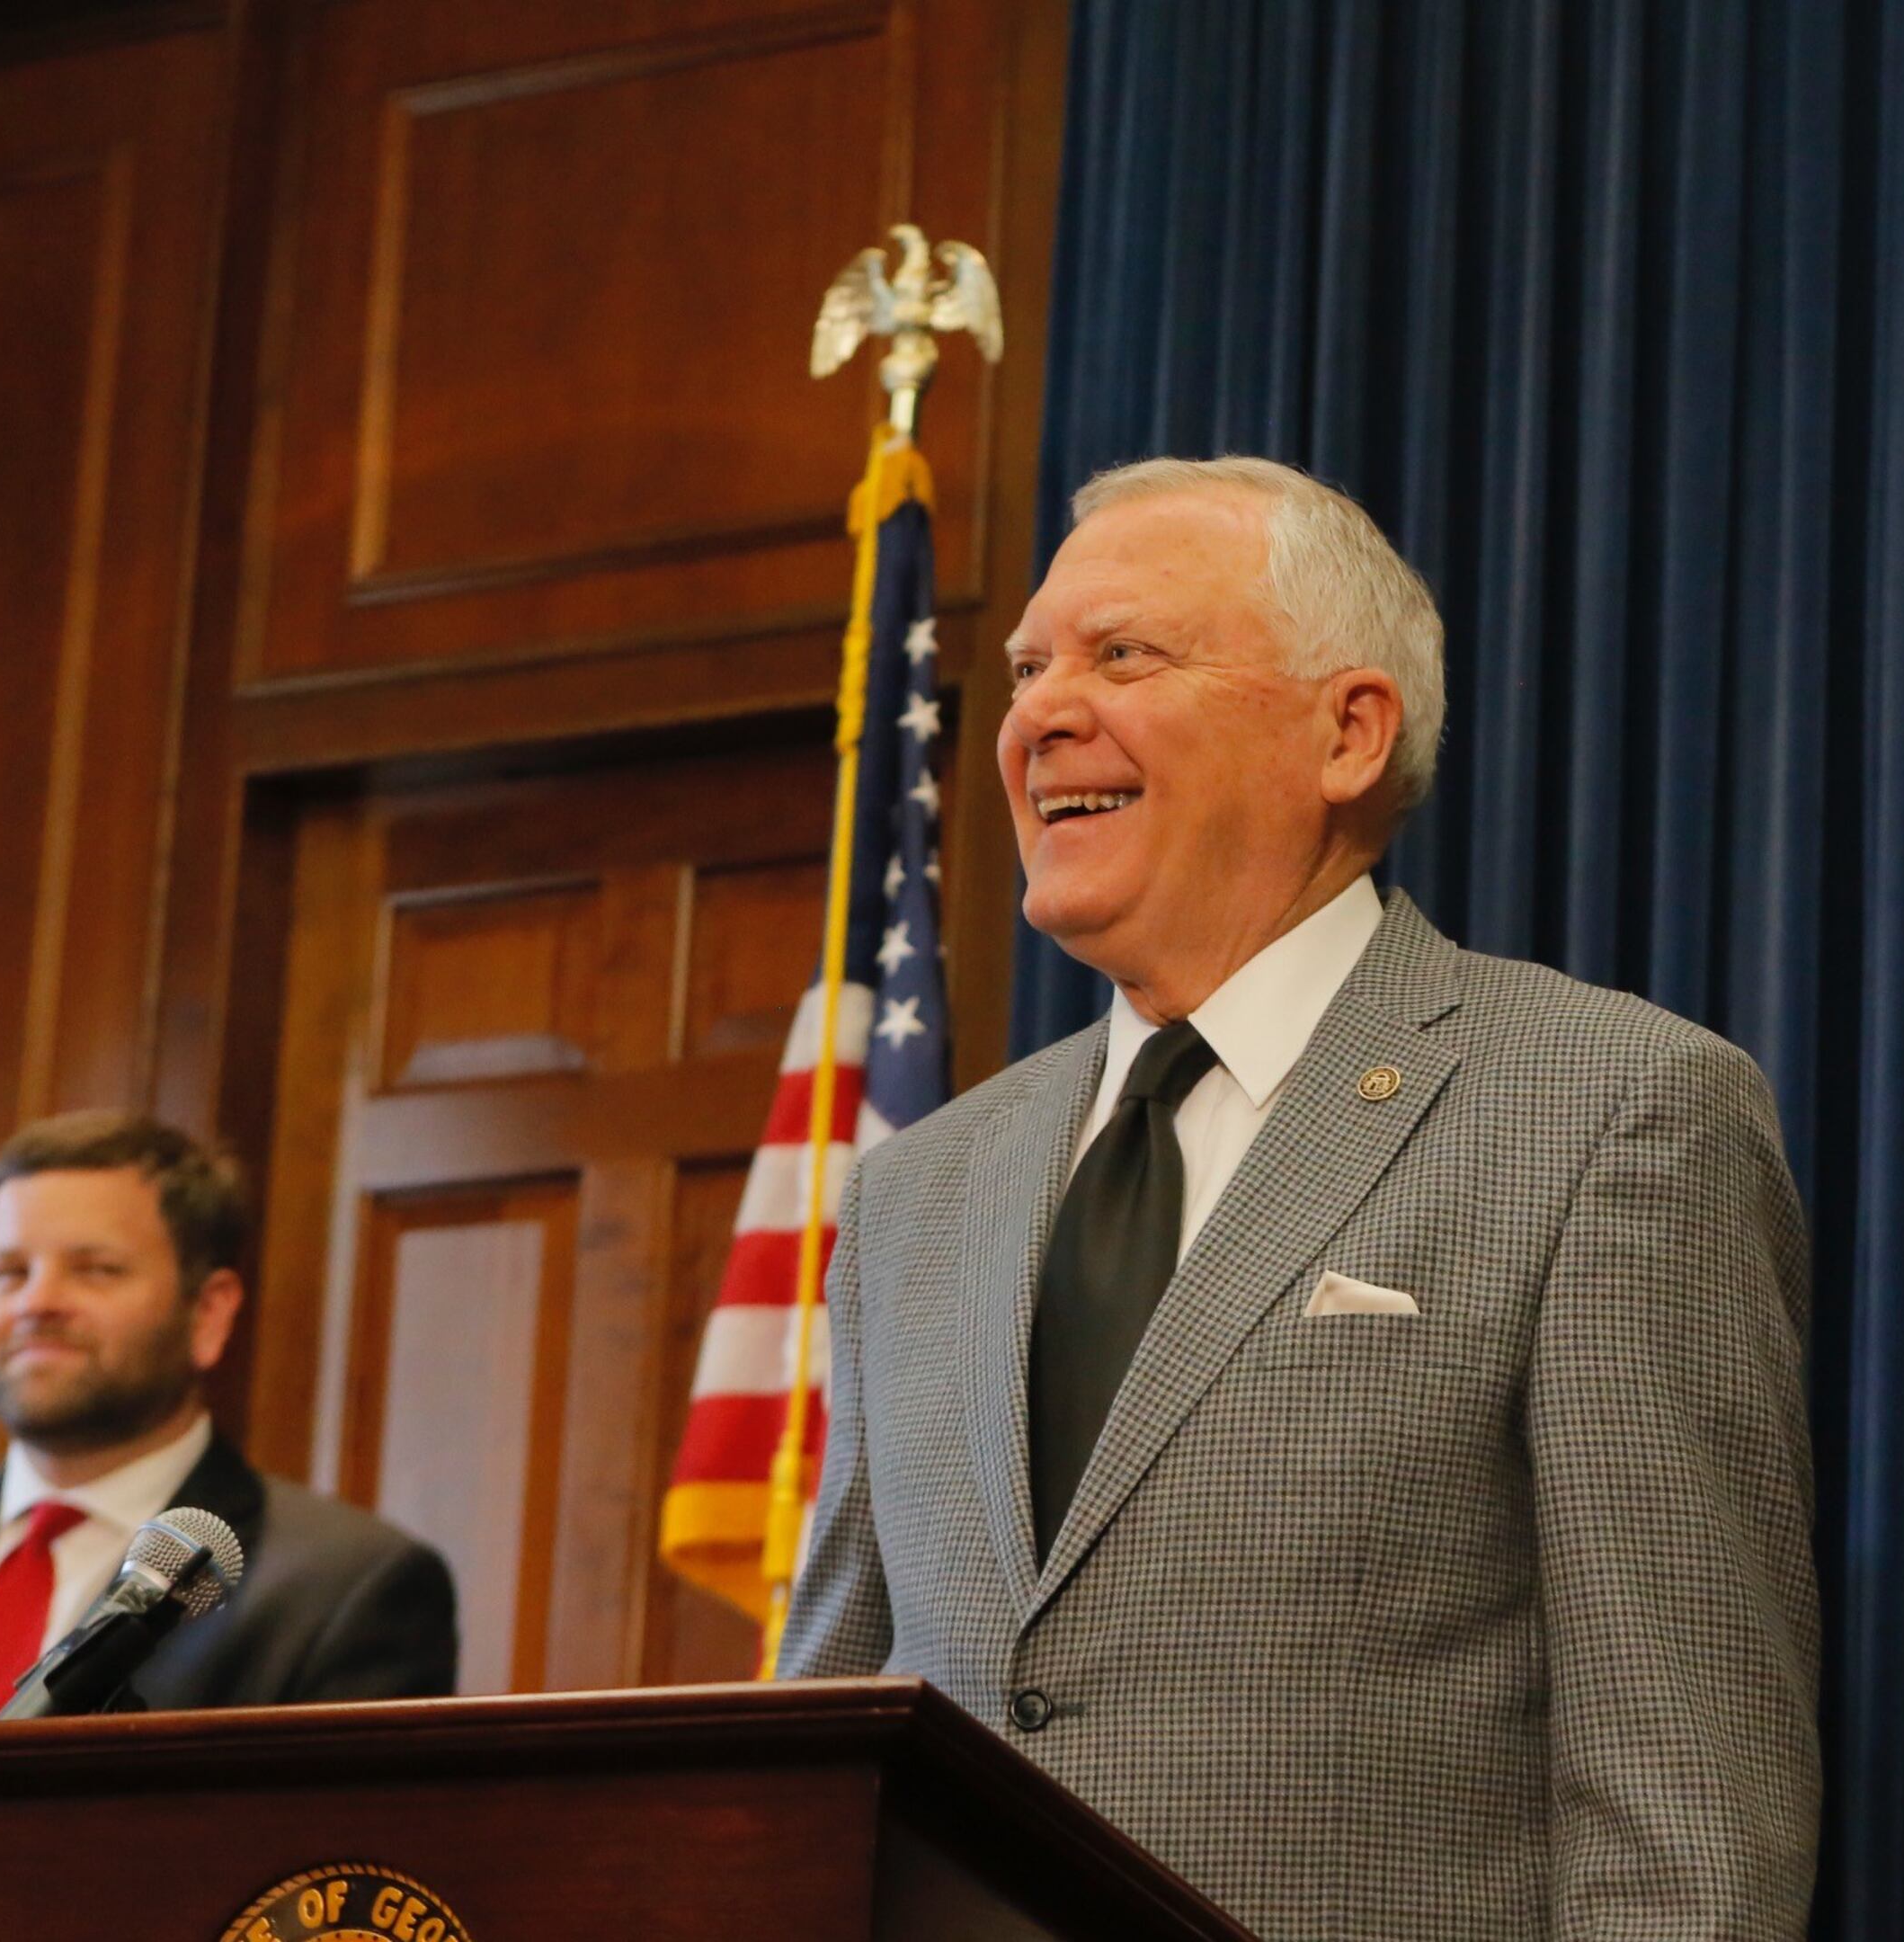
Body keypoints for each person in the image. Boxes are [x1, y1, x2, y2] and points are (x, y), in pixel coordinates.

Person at [777, 456, 1821, 1938]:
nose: (1037, 715)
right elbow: (834, 1742)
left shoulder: (1611, 1115)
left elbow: (1685, 1808)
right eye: (1024, 669)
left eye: (1122, 654)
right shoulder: (917, 1192)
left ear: (1349, 730)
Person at [0, 1113, 456, 1726]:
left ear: (208, 1313)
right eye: (10, 1273)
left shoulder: (347, 1589)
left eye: (95, 1269)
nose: (37, 1302)